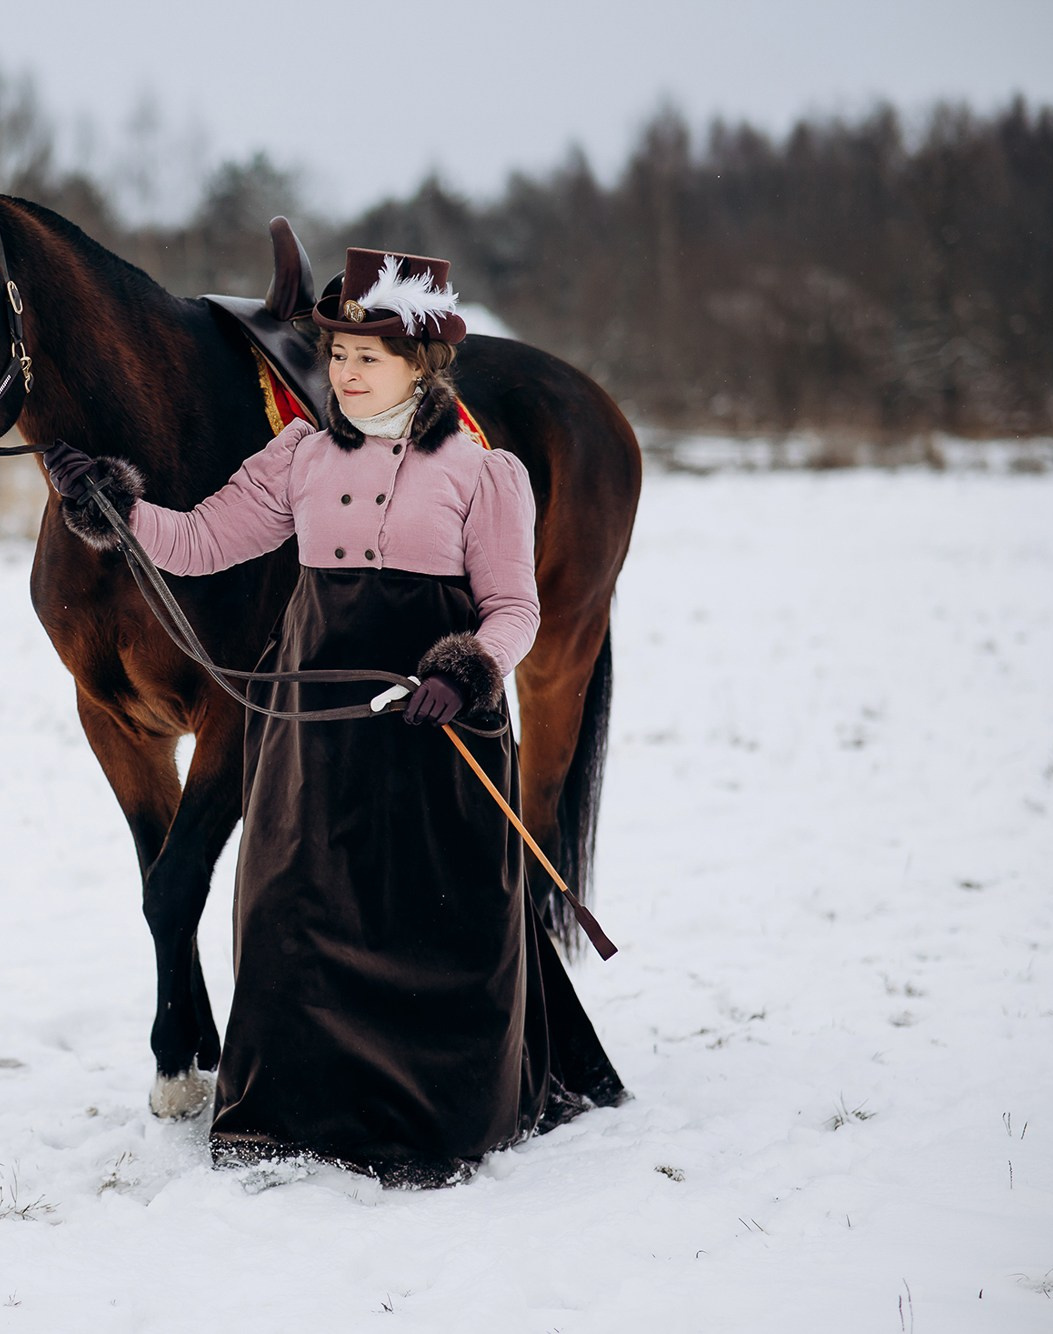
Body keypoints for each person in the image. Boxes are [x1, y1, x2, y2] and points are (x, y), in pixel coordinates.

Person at [43, 248, 624, 1185]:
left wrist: (468, 667)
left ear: (422, 365)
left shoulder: (486, 476)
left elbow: (516, 611)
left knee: (428, 918)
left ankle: (436, 1108)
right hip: (313, 721)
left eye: (369, 359)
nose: (344, 376)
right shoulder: (297, 458)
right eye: (338, 355)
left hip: (436, 722)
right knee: (294, 913)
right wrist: (113, 505)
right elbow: (195, 544)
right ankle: (298, 1108)